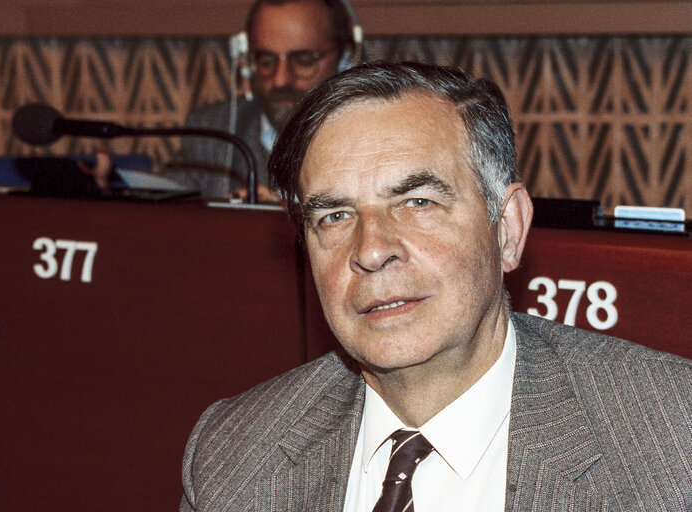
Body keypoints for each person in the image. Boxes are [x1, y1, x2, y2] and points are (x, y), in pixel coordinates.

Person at [179, 62, 692, 511]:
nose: (371, 249)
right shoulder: (233, 454)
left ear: (507, 228)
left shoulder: (671, 440)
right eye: (335, 216)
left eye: (418, 203)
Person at [165, 0, 358, 201]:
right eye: (266, 61)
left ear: (346, 60)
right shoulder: (213, 131)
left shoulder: (372, 137)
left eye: (304, 61)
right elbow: (160, 219)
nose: (280, 80)